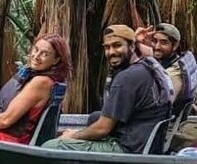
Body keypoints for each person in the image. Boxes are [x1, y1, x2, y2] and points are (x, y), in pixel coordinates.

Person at [43, 24, 173, 153]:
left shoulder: (126, 78)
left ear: (132, 46)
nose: (111, 52)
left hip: (128, 148)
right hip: (145, 140)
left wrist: (72, 136)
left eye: (117, 45)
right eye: (107, 47)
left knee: (51, 146)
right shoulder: (150, 65)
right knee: (94, 117)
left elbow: (102, 129)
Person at [136, 22, 197, 115]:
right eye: (154, 41)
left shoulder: (175, 72)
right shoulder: (169, 57)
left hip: (163, 122)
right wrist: (135, 40)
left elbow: (161, 104)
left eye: (163, 42)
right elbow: (147, 51)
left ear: (174, 46)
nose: (157, 47)